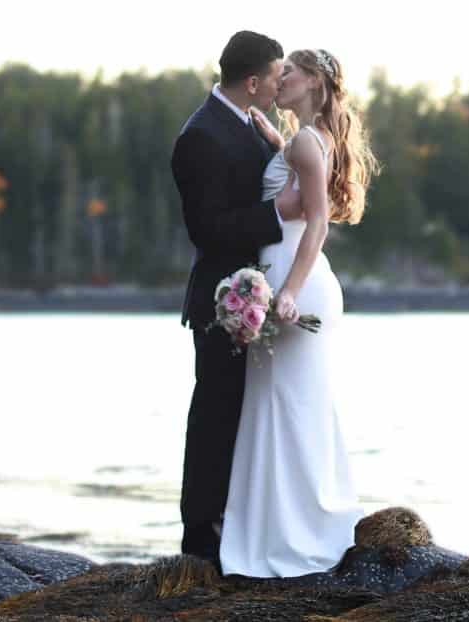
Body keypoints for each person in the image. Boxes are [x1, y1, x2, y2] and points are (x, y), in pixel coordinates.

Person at [217, 48, 380, 577]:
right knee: (285, 410)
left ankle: (294, 539)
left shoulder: (309, 142)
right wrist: (274, 142)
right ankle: (287, 532)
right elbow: (294, 173)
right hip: (291, 278)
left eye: (288, 72)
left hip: (296, 283)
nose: (277, 79)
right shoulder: (304, 139)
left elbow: (316, 224)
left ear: (312, 81)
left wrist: (286, 291)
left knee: (287, 412)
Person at [170, 30, 304, 571]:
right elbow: (207, 228)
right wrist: (282, 213)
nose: (280, 85)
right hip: (226, 299)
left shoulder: (248, 121)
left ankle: (244, 527)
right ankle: (200, 537)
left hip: (261, 290)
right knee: (216, 416)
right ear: (253, 81)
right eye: (276, 77)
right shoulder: (200, 135)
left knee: (249, 417)